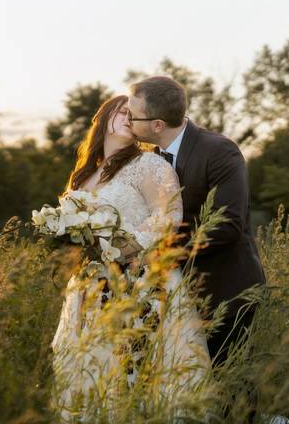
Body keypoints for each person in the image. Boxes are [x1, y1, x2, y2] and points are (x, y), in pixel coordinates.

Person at [51, 94, 211, 421]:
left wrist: (127, 246)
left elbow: (169, 216)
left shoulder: (149, 164)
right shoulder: (83, 176)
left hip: (143, 280)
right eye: (121, 111)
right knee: (95, 368)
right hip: (93, 287)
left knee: (139, 368)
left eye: (133, 114)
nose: (128, 117)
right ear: (103, 118)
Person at [126, 76, 266, 366]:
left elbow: (228, 224)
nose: (127, 120)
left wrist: (163, 253)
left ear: (157, 125)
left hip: (225, 290)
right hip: (179, 293)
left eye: (132, 115)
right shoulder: (151, 158)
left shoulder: (219, 151)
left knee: (230, 386)